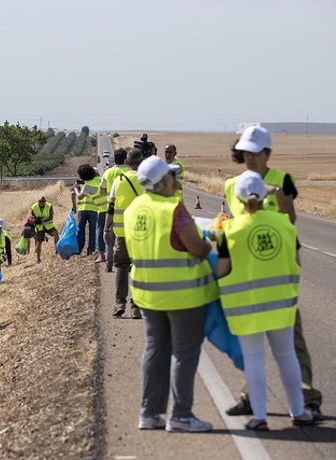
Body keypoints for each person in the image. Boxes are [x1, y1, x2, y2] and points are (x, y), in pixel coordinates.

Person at [223, 126, 322, 420]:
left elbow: (290, 219)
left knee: (292, 341)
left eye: (255, 153)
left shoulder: (282, 180)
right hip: (248, 269)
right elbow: (230, 219)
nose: (249, 158)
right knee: (250, 347)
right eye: (245, 153)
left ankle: (307, 399)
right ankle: (249, 398)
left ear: (267, 153)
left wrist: (277, 196)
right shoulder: (231, 184)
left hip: (275, 263)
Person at [124, 156, 218, 432]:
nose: (176, 181)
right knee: (184, 352)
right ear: (163, 181)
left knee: (154, 348)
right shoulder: (172, 208)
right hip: (182, 295)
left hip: (146, 293)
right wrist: (209, 239)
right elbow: (197, 249)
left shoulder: (133, 209)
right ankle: (181, 415)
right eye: (172, 177)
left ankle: (149, 413)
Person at [105, 149, 144, 318]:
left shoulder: (118, 181)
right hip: (141, 233)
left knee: (121, 267)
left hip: (121, 232)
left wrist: (106, 229)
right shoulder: (148, 181)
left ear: (127, 163)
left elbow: (111, 208)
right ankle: (136, 307)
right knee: (138, 268)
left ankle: (119, 303)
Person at [99, 148, 128, 271]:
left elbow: (101, 190)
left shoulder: (107, 172)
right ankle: (126, 263)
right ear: (126, 159)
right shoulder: (130, 172)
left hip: (110, 209)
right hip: (127, 210)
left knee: (110, 240)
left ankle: (109, 264)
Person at [73, 164, 100, 255]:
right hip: (94, 209)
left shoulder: (87, 184)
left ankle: (79, 249)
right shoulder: (99, 182)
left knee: (80, 230)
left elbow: (78, 196)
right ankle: (91, 250)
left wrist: (76, 189)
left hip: (83, 209)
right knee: (93, 231)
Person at [30, 196, 59, 263]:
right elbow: (32, 218)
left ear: (45, 201)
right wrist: (35, 220)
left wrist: (41, 221)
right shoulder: (34, 207)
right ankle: (38, 259)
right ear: (38, 202)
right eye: (40, 201)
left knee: (56, 233)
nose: (42, 203)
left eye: (43, 201)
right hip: (39, 227)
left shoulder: (49, 206)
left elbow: (51, 217)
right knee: (39, 242)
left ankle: (57, 249)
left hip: (48, 225)